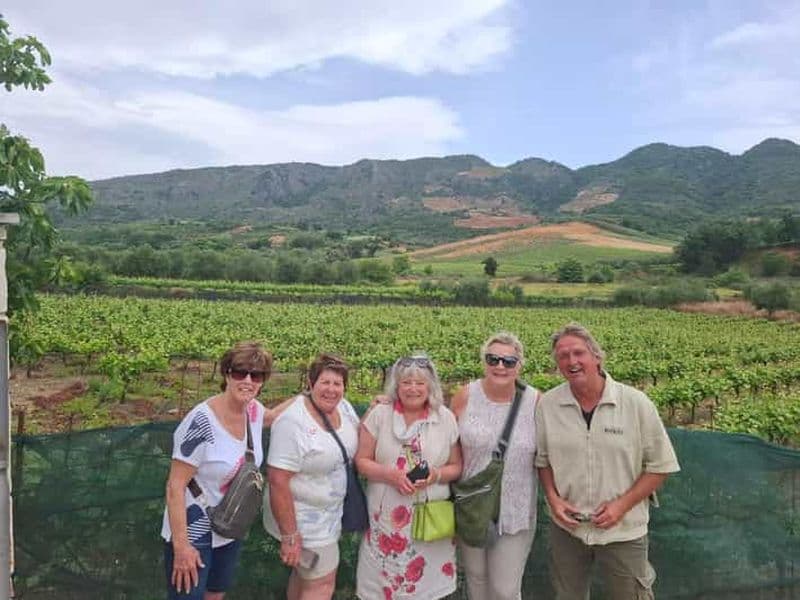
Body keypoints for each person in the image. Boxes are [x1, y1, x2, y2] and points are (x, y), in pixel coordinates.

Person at [535, 323, 680, 600]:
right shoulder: (548, 405)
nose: (571, 361)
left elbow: (660, 466)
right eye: (563, 356)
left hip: (623, 530)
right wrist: (553, 499)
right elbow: (543, 461)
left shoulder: (635, 403)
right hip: (568, 530)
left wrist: (621, 506)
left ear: (597, 357)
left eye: (579, 353)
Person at [162, 340, 272, 599]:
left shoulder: (253, 411)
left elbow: (275, 416)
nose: (247, 380)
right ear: (226, 374)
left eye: (256, 375)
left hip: (228, 526)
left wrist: (314, 397)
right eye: (239, 373)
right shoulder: (201, 422)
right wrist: (181, 547)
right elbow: (175, 486)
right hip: (194, 531)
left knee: (215, 594)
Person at [355, 355, 463, 600]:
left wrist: (435, 475)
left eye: (420, 383)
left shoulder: (445, 418)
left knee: (425, 588)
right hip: (385, 521)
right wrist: (389, 474)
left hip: (430, 520)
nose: (413, 388)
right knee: (383, 588)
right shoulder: (380, 415)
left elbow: (456, 467)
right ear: (397, 385)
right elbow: (361, 461)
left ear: (430, 387)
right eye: (406, 382)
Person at [450, 332, 539, 600]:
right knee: (476, 581)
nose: (500, 366)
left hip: (515, 510)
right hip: (472, 507)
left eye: (509, 361)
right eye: (493, 359)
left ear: (519, 365)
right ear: (484, 362)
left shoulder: (536, 401)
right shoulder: (465, 395)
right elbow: (442, 435)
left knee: (505, 590)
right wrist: (388, 401)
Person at [264, 353, 360, 600]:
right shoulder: (293, 422)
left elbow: (359, 436)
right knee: (322, 583)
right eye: (325, 382)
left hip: (329, 516)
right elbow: (277, 480)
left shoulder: (345, 408)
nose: (331, 390)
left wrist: (381, 407)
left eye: (337, 384)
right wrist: (290, 536)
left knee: (304, 578)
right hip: (304, 523)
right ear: (311, 383)